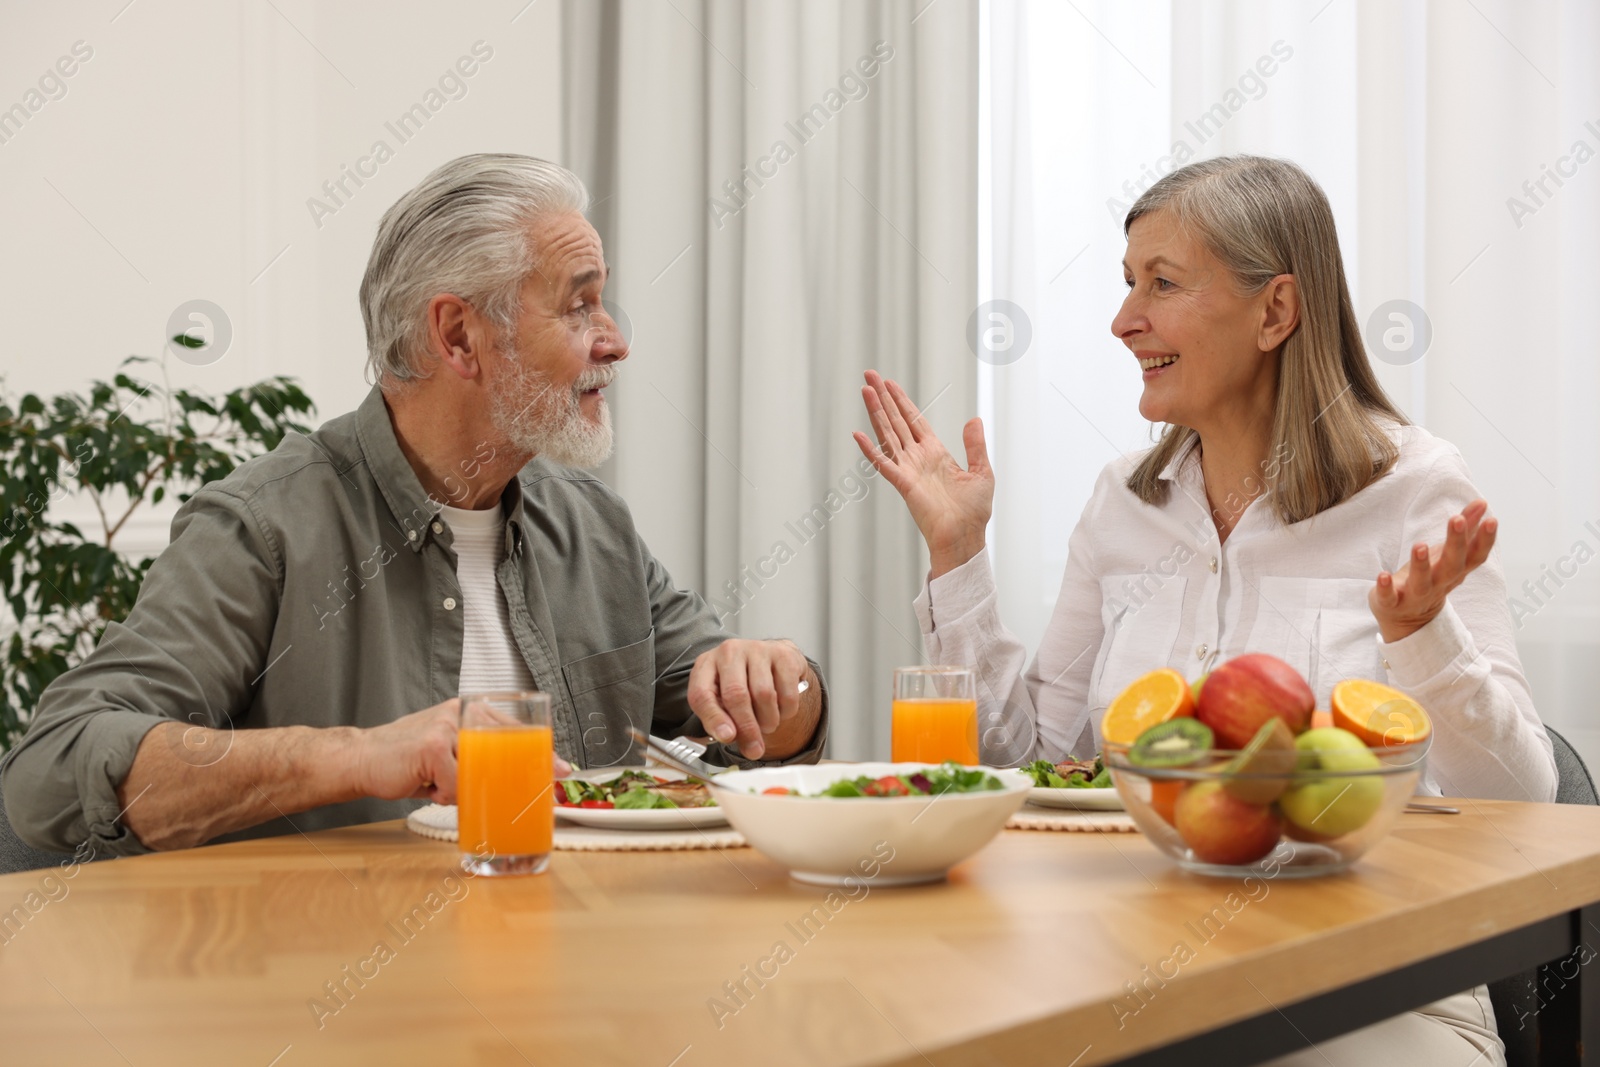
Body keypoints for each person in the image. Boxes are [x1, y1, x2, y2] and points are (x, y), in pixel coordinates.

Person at [856, 155, 1551, 1066]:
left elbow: (1523, 800)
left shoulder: (1414, 491)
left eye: (1163, 283)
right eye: (1126, 283)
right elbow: (1028, 769)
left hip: (1374, 984)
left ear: (1276, 311)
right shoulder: (1122, 506)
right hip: (1128, 967)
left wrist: (1424, 637)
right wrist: (958, 555)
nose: (1123, 319)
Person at [1, 154, 826, 857]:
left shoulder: (592, 524)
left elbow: (763, 726)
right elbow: (53, 765)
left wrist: (779, 685)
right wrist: (363, 756)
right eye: (579, 304)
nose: (614, 339)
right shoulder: (265, 526)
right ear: (459, 336)